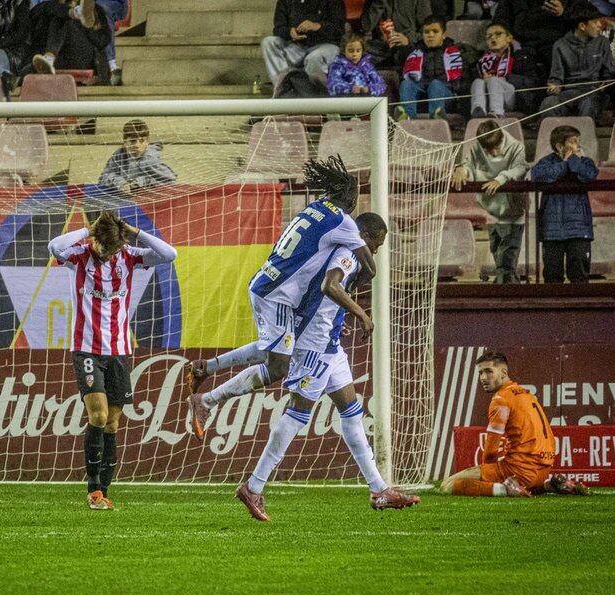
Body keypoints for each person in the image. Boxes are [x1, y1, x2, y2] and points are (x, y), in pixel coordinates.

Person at [233, 212, 420, 521]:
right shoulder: (347, 254)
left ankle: (378, 490)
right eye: (377, 242)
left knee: (351, 411)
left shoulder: (342, 251)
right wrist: (360, 312)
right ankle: (254, 486)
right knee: (298, 414)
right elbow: (329, 285)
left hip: (329, 345)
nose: (376, 249)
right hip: (315, 346)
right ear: (364, 235)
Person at [187, 157, 378, 441]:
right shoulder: (344, 221)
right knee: (279, 366)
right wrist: (361, 307)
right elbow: (369, 265)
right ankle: (207, 401)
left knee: (279, 349)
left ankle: (206, 367)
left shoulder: (313, 209)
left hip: (270, 285)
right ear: (350, 197)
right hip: (277, 295)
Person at [47, 212, 177, 510]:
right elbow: (54, 247)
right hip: (86, 350)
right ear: (95, 241)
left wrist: (133, 232)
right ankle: (92, 489)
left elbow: (170, 254)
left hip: (120, 352)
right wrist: (86, 229)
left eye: (114, 249)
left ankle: (104, 491)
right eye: (105, 249)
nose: (109, 255)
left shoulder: (129, 256)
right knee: (99, 416)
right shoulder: (78, 256)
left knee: (113, 424)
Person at [440, 351, 590, 497]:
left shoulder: (501, 399)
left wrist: (488, 473)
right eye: (480, 373)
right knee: (521, 476)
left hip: (520, 470)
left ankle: (505, 489)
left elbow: (491, 449)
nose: (483, 378)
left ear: (504, 372)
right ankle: (549, 485)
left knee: (447, 485)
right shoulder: (526, 393)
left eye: (488, 371)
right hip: (544, 470)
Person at [453, 122, 529, 283]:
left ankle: (507, 288)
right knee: (497, 249)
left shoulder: (516, 146)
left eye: (497, 147)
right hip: (490, 208)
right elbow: (468, 166)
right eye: (490, 149)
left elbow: (520, 168)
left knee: (508, 254)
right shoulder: (478, 147)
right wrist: (461, 170)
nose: (494, 152)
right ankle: (505, 282)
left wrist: (501, 179)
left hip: (513, 209)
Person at [532, 124, 597, 283]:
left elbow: (590, 175)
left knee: (579, 275)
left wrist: (573, 160)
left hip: (579, 229)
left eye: (578, 141)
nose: (578, 145)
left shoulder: (585, 161)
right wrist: (564, 163)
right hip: (552, 230)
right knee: (552, 276)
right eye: (573, 141)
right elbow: (539, 176)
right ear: (559, 146)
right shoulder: (546, 162)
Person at [539, 1, 615, 119]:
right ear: (582, 26)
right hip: (569, 93)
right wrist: (554, 86)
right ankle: (561, 136)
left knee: (589, 103)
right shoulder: (560, 45)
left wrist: (604, 85)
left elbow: (608, 73)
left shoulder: (602, 42)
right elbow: (556, 78)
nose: (600, 25)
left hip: (592, 92)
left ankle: (583, 136)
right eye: (595, 22)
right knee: (548, 103)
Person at [394, 16, 468, 120]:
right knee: (406, 84)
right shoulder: (414, 52)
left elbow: (464, 82)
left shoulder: (457, 52)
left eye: (435, 31)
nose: (430, 35)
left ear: (444, 35)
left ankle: (437, 117)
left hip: (446, 97)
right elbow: (404, 74)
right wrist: (405, 48)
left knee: (435, 85)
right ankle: (407, 117)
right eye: (426, 32)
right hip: (421, 97)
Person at [261, 0, 347, 86]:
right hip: (296, 47)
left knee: (313, 58)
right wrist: (290, 32)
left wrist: (317, 26)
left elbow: (339, 30)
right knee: (268, 42)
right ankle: (284, 88)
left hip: (327, 45)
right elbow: (278, 28)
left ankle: (312, 92)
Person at [469, 22, 542, 117]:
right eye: (489, 36)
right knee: (478, 82)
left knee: (494, 80)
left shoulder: (522, 56)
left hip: (514, 99)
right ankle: (478, 112)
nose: (493, 38)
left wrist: (505, 78)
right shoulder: (481, 62)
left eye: (498, 34)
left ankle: (497, 113)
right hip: (488, 99)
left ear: (509, 38)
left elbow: (533, 82)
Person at [30, 0, 111, 81]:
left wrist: (87, 26)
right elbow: (32, 19)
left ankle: (49, 58)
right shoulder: (47, 6)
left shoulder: (96, 10)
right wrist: (73, 13)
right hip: (56, 59)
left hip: (81, 58)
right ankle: (49, 59)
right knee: (60, 18)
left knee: (62, 19)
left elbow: (103, 42)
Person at [98, 119, 177, 193]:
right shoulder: (119, 154)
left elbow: (171, 180)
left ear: (147, 142)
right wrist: (120, 182)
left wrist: (140, 182)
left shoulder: (149, 159)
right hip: (124, 197)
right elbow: (102, 178)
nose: (137, 145)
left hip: (147, 199)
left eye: (142, 141)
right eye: (132, 141)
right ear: (125, 141)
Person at [360, 0, 433, 68]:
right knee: (357, 54)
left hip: (408, 46)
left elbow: (428, 29)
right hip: (381, 47)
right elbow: (366, 27)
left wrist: (408, 39)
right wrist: (379, 3)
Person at [494, 0, 574, 62]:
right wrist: (504, 37)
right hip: (521, 44)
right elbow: (501, 18)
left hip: (554, 42)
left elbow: (580, 16)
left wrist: (563, 12)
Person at [326, 33, 387, 97]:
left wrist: (369, 89)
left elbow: (381, 85)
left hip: (367, 101)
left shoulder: (367, 66)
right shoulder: (337, 66)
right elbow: (332, 84)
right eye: (351, 51)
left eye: (358, 51)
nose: (355, 54)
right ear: (344, 51)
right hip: (345, 101)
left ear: (362, 51)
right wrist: (350, 88)